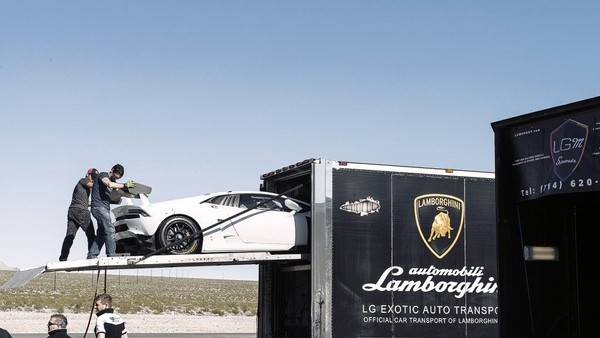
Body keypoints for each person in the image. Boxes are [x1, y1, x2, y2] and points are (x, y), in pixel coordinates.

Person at [87, 164, 135, 259]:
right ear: (112, 170)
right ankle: (111, 254)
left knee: (101, 233)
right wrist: (124, 184)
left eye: (118, 176)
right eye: (116, 174)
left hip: (104, 209)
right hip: (98, 208)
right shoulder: (103, 175)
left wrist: (134, 194)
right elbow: (109, 184)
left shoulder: (114, 182)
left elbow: (122, 192)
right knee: (110, 229)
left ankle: (92, 255)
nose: (116, 177)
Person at [59, 168, 98, 261]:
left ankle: (63, 257)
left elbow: (85, 202)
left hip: (72, 210)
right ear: (87, 174)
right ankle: (91, 256)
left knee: (70, 235)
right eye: (92, 177)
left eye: (94, 179)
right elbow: (93, 186)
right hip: (81, 211)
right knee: (91, 235)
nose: (93, 180)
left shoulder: (84, 187)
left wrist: (97, 202)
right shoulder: (83, 180)